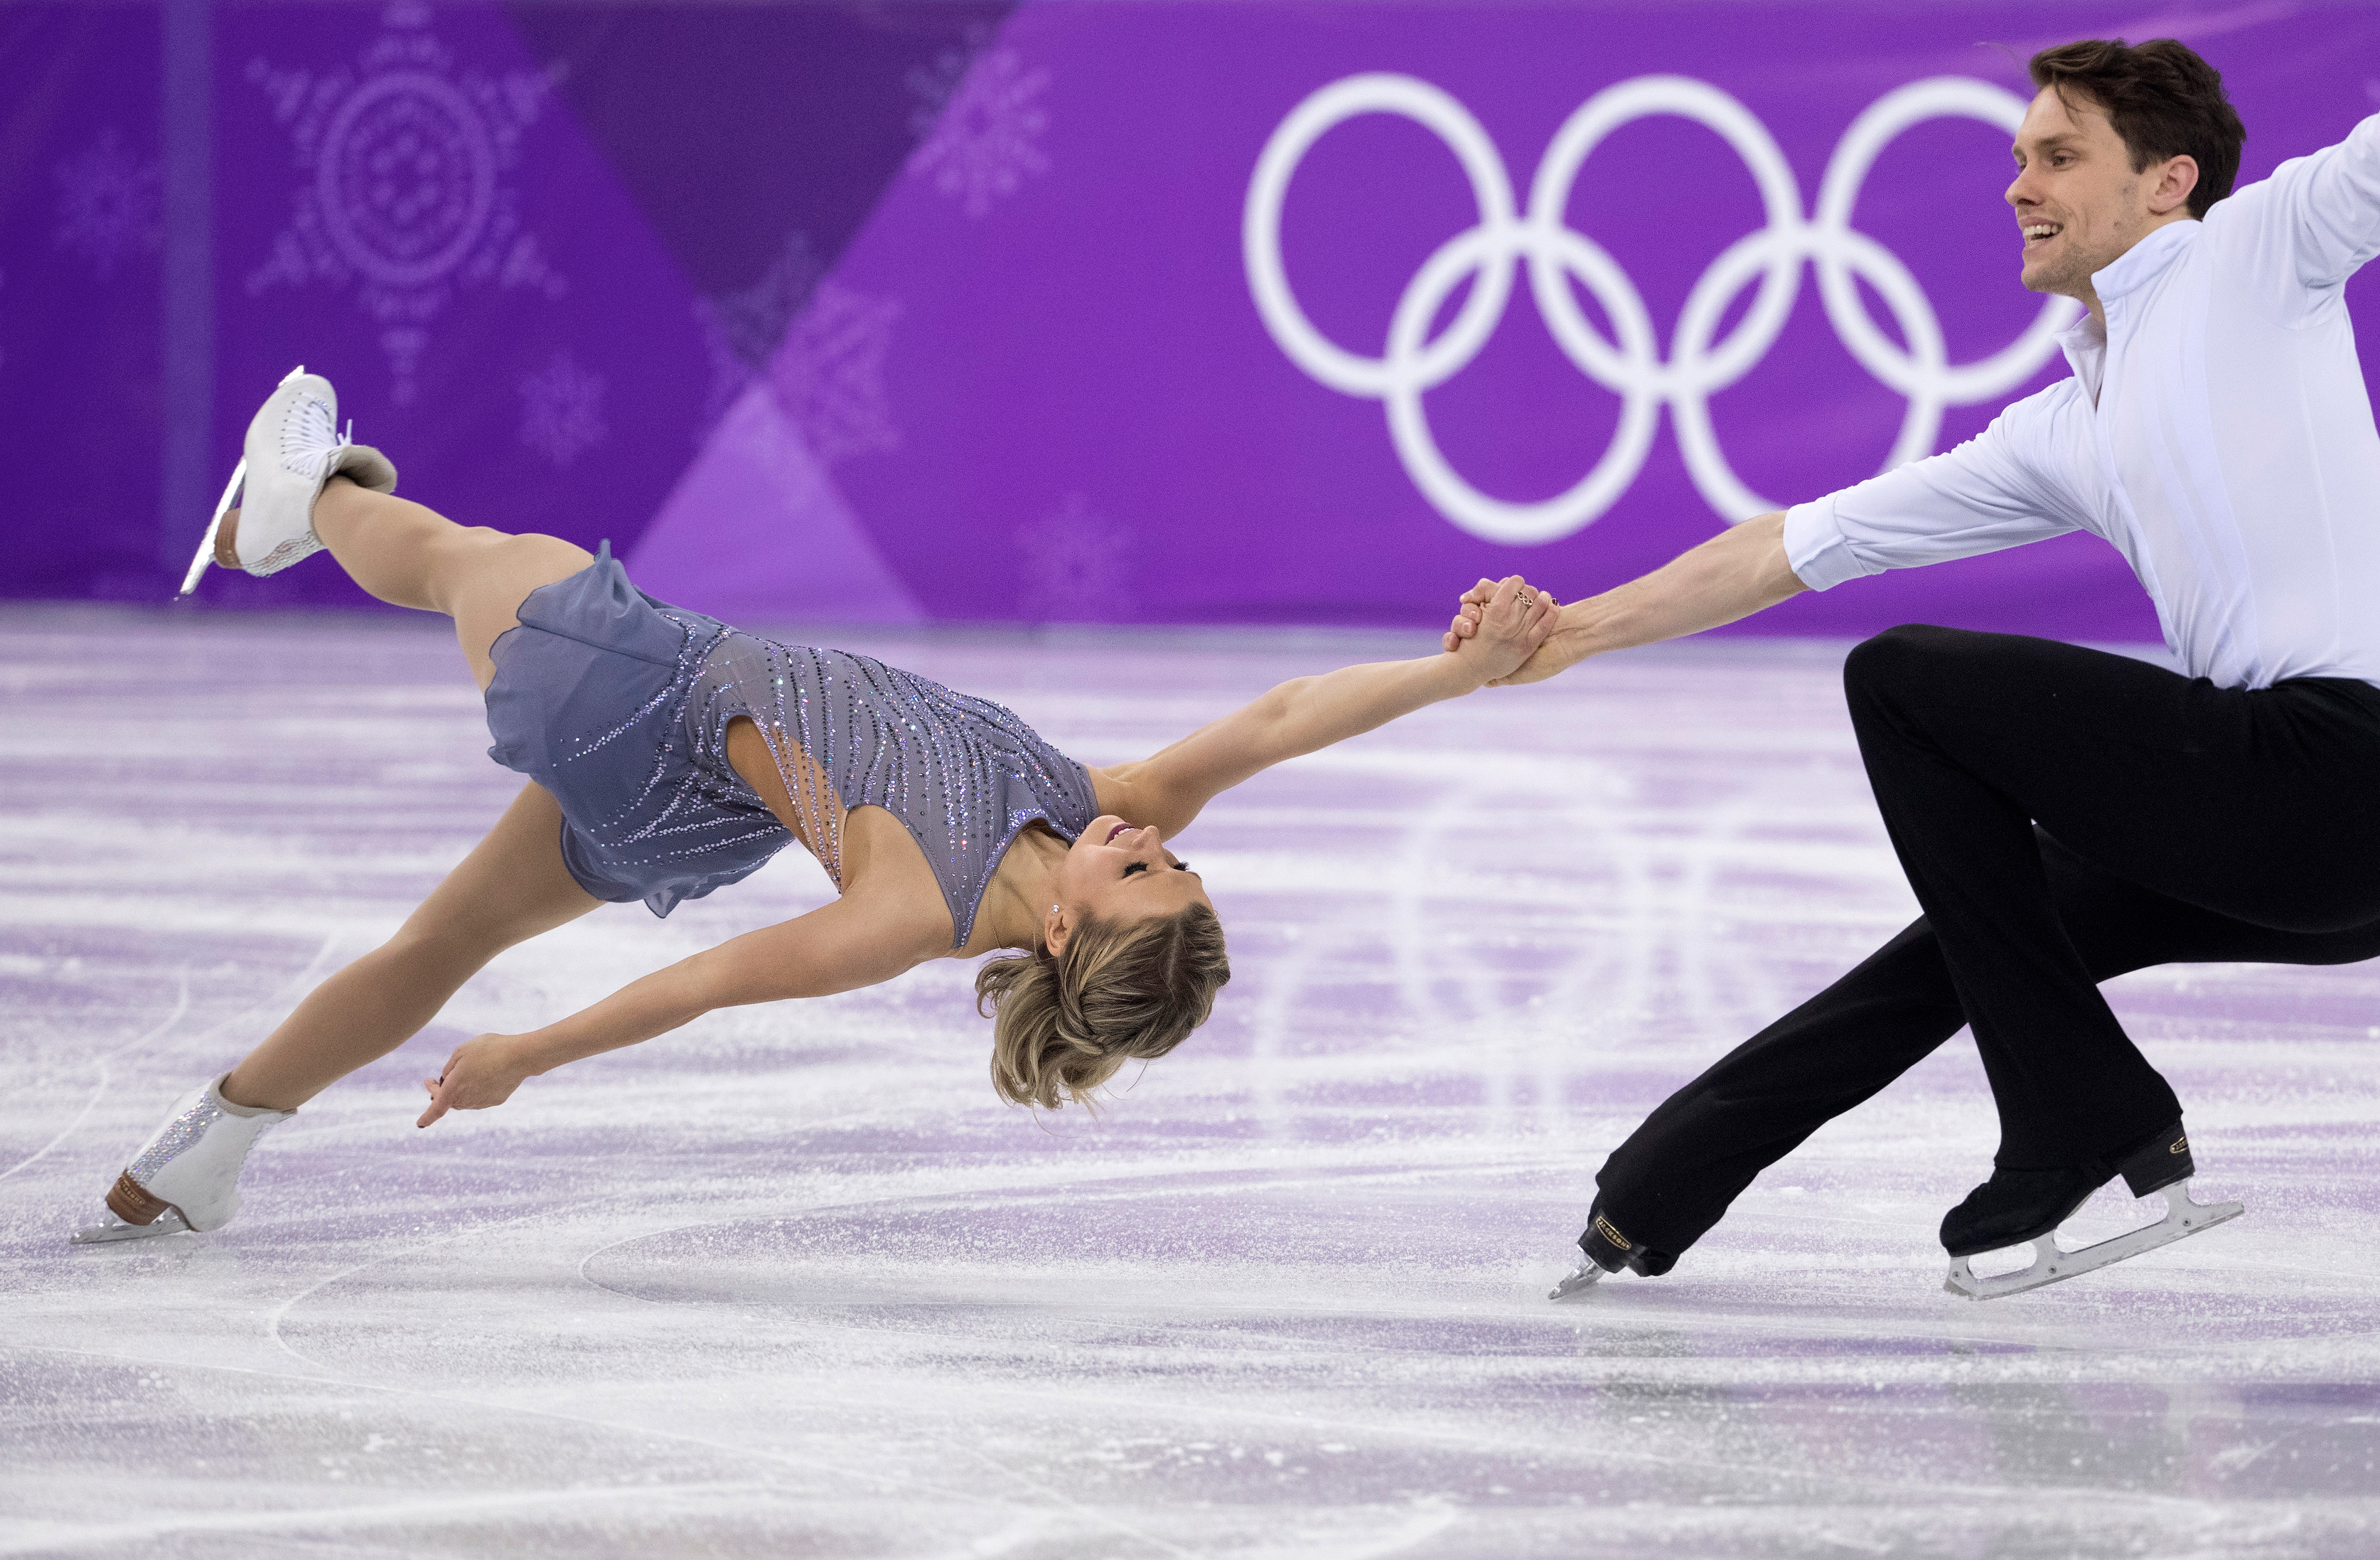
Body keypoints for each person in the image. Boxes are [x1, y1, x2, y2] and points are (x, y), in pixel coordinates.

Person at [1448, 0, 2380, 1298]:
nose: (2017, 183)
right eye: (2021, 154)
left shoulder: (2258, 252)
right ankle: (1664, 1183)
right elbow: (1790, 545)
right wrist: (1573, 634)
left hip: (2355, 782)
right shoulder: (2069, 421)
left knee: (1905, 683)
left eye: (2057, 155)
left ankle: (2082, 1111)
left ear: (2168, 183)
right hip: (2340, 842)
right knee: (1980, 934)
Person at [78, 368, 1560, 1243]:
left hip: (639, 694)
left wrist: (531, 1052)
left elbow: (709, 983)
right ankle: (203, 1152)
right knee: (436, 943)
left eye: (1144, 874)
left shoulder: (911, 906)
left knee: (482, 559)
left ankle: (308, 504)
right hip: (683, 809)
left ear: (1062, 929)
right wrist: (1462, 674)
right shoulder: (1081, 803)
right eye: (1172, 858)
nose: (1152, 838)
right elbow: (1284, 721)